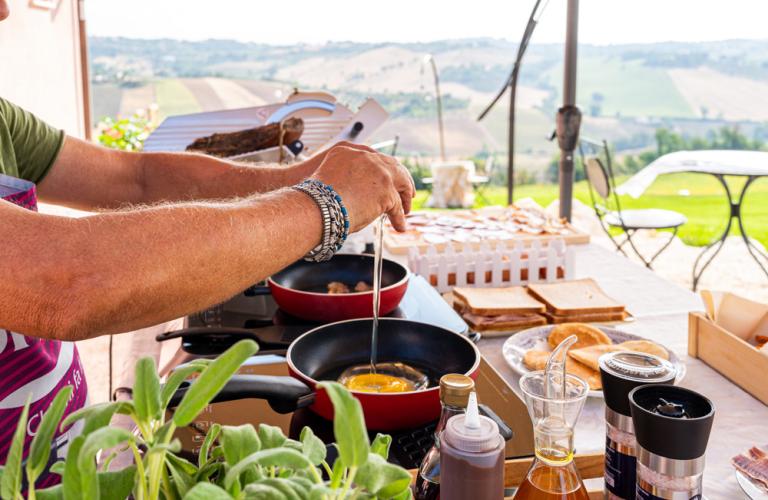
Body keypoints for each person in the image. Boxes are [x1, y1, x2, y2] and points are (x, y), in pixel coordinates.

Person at [0, 0, 415, 486]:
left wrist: (302, 176)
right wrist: (321, 204)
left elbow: (137, 179)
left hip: (52, 464)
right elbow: (61, 284)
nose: (5, 10)